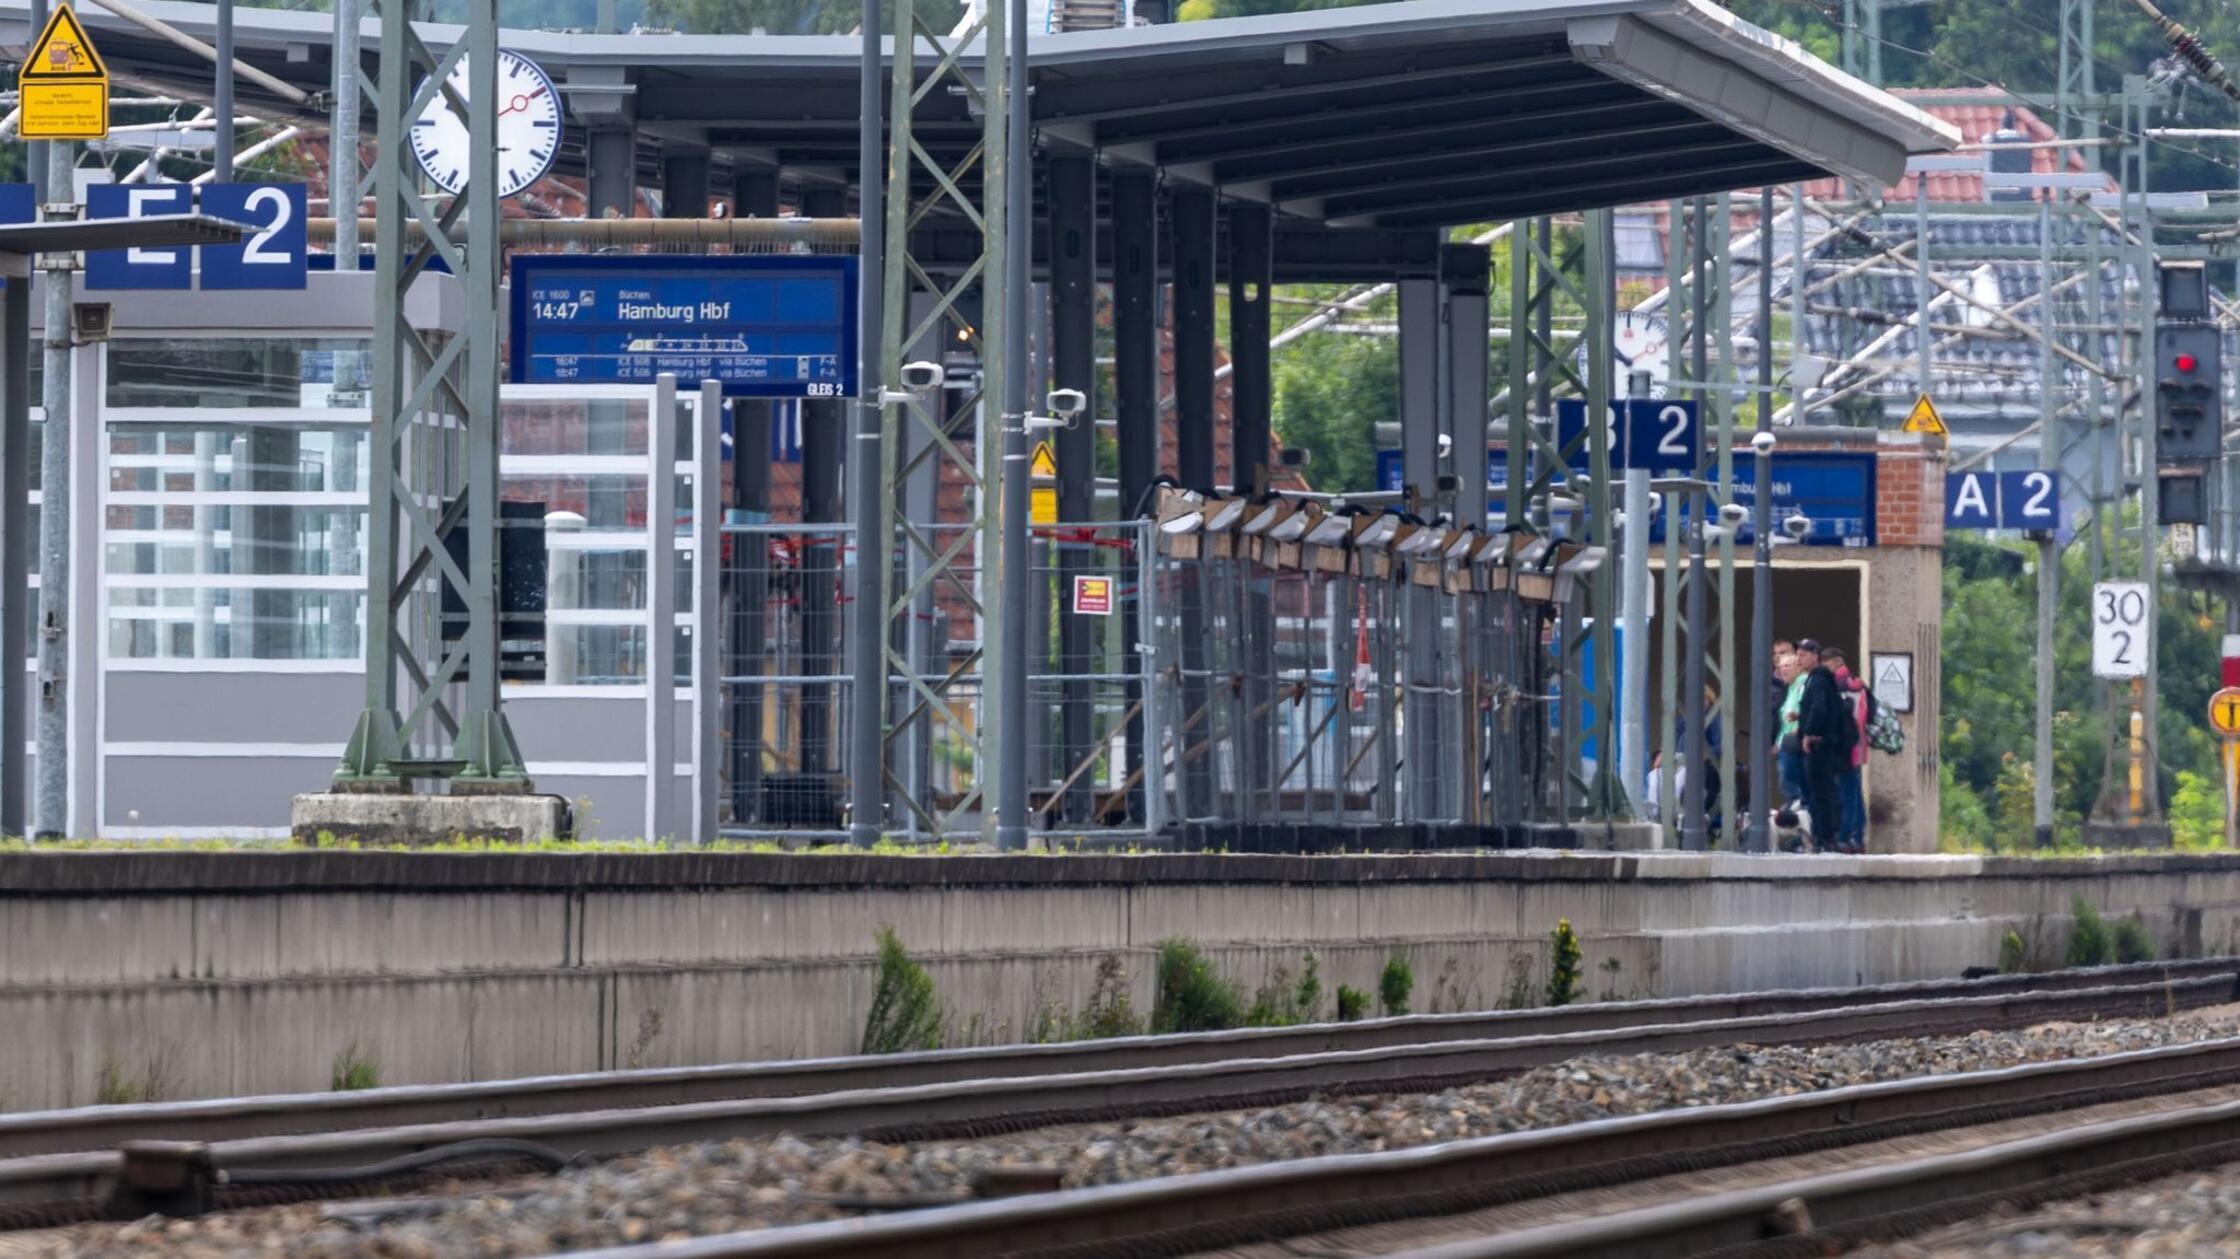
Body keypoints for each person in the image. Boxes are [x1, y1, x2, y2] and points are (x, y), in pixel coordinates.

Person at [1793, 639, 1855, 854]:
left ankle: (1826, 837)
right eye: (1797, 654)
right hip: (1823, 744)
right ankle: (1825, 835)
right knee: (1822, 791)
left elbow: (1819, 708)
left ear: (1815, 656)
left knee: (1821, 792)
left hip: (1819, 745)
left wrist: (1809, 733)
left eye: (1803, 654)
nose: (1798, 658)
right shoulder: (1818, 680)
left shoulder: (1818, 680)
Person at [1824, 648, 1868, 854]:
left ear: (1833, 662)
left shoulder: (1840, 687)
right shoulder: (1859, 685)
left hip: (1844, 749)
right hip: (1858, 747)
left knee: (1846, 795)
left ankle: (1844, 837)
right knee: (1855, 793)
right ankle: (1857, 837)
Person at [1775, 651, 1807, 806]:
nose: (1783, 670)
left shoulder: (1803, 684)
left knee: (1792, 785)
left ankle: (1798, 816)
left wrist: (1800, 728)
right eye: (1780, 667)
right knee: (1786, 785)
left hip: (1795, 744)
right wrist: (1778, 742)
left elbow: (1808, 710)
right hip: (1786, 744)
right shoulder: (1791, 688)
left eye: (1787, 665)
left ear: (1798, 667)